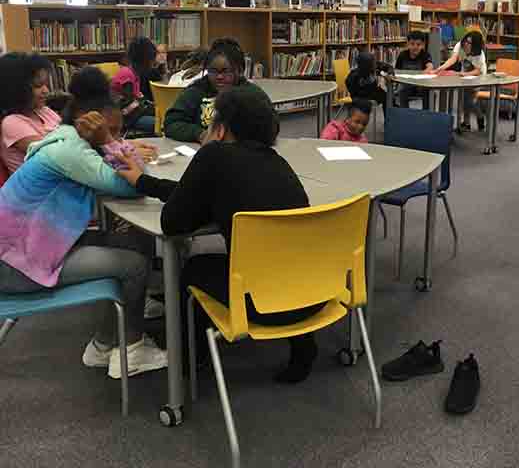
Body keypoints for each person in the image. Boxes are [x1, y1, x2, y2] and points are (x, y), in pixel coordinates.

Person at [115, 89, 322, 383]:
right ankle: (303, 347)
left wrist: (199, 156)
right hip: (313, 293)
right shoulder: (276, 162)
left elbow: (174, 222)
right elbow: (204, 196)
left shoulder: (214, 155)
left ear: (221, 130)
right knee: (278, 260)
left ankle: (191, 359)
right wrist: (144, 182)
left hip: (260, 304)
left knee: (193, 269)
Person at [0, 66, 167, 378]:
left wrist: (109, 142)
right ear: (88, 125)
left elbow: (130, 173)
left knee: (130, 241)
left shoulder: (65, 139)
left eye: (120, 132)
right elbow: (133, 184)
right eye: (112, 131)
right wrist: (110, 142)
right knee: (133, 264)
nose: (118, 139)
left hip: (27, 250)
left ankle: (103, 347)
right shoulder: (71, 153)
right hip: (15, 265)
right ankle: (132, 350)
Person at [163, 38, 270, 143]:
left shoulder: (252, 93)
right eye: (213, 71)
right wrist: (200, 134)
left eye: (225, 71)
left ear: (239, 71)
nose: (219, 77)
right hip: (202, 152)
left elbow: (270, 125)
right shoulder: (196, 91)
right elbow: (171, 123)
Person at [0, 52, 62, 174]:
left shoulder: (45, 111)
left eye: (46, 84)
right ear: (15, 89)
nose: (46, 91)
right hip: (43, 191)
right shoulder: (11, 123)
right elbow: (58, 156)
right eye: (38, 86)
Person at [434, 30, 488, 131]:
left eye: (469, 43)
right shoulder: (460, 45)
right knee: (463, 99)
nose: (466, 44)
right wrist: (440, 68)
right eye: (466, 41)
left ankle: (480, 118)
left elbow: (477, 71)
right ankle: (466, 124)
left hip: (478, 76)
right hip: (465, 75)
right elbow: (453, 59)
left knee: (470, 101)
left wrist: (462, 74)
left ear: (475, 45)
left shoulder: (479, 54)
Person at [111, 37, 158, 133]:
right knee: (159, 123)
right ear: (144, 60)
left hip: (133, 115)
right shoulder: (127, 75)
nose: (153, 63)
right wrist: (147, 108)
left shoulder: (135, 74)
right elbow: (127, 108)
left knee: (159, 117)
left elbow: (137, 98)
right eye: (152, 60)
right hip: (126, 119)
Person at [395, 31, 434, 109]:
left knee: (429, 93)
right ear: (407, 44)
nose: (415, 47)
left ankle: (426, 114)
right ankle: (405, 114)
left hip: (421, 85)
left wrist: (424, 72)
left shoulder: (425, 55)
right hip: (407, 85)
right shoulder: (402, 55)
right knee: (402, 92)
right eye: (412, 44)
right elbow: (396, 70)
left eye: (418, 44)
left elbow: (430, 66)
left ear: (423, 45)